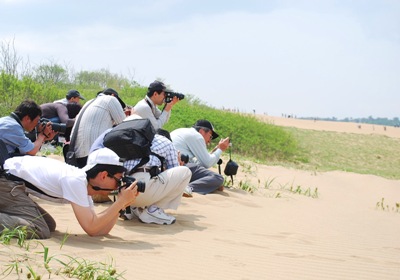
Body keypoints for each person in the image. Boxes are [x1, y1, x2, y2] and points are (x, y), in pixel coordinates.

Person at [0, 147, 139, 239]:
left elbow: (99, 230)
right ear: (103, 175)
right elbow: (91, 227)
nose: (119, 184)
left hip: (14, 185)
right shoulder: (75, 180)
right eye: (118, 179)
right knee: (40, 229)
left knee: (49, 225)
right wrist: (120, 202)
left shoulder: (84, 185)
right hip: (6, 181)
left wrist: (121, 204)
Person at [90, 114, 192, 225]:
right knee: (185, 172)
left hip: (116, 193)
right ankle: (153, 210)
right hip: (141, 189)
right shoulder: (163, 141)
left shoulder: (115, 141)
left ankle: (129, 209)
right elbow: (174, 169)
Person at [170, 120, 230, 194]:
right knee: (218, 178)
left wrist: (216, 150)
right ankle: (188, 188)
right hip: (179, 166)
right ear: (201, 131)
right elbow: (207, 163)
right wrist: (221, 149)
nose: (209, 141)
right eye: (210, 136)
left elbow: (199, 164)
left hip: (169, 166)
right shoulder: (197, 136)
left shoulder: (182, 131)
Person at [70, 88, 126, 168]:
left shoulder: (89, 102)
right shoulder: (111, 99)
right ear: (113, 95)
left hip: (77, 154)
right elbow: (124, 125)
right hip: (93, 155)